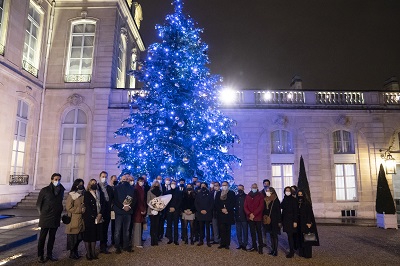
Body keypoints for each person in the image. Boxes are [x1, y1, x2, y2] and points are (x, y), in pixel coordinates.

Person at [36, 173, 65, 263]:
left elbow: (60, 202)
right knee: (42, 237)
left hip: (55, 217)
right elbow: (38, 204)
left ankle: (49, 254)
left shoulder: (61, 190)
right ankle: (40, 255)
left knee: (52, 237)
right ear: (52, 179)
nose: (57, 181)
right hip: (46, 216)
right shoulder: (45, 190)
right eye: (56, 179)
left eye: (59, 179)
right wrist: (42, 214)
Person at [113, 174, 136, 254]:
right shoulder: (117, 188)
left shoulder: (132, 189)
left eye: (127, 179)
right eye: (124, 179)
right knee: (118, 230)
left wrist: (128, 207)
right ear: (121, 180)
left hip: (126, 211)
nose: (125, 180)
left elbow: (134, 199)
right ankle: (118, 246)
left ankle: (125, 246)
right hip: (121, 211)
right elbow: (115, 199)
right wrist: (124, 207)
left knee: (125, 230)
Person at [83, 179, 105, 260]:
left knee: (94, 235)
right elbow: (87, 206)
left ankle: (93, 252)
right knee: (88, 235)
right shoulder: (87, 193)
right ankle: (88, 253)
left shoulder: (100, 193)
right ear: (89, 184)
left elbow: (103, 204)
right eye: (92, 183)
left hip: (98, 217)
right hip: (89, 217)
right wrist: (94, 216)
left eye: (95, 183)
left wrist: (100, 214)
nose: (94, 184)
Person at [65, 179, 85, 260]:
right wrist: (80, 210)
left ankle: (75, 251)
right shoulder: (72, 195)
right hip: (74, 219)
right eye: (79, 184)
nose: (81, 185)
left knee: (80, 237)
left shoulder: (83, 194)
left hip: (81, 219)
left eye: (82, 184)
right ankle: (72, 253)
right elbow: (68, 207)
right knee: (73, 237)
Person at [297, 190, 320, 258]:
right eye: (299, 194)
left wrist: (309, 222)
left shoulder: (307, 203)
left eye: (301, 194)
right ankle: (302, 252)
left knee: (307, 238)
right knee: (301, 237)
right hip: (299, 223)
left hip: (305, 222)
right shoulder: (297, 203)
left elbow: (309, 214)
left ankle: (308, 254)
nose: (300, 195)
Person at [244, 183, 264, 254]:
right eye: (253, 187)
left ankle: (260, 247)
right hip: (250, 217)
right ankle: (254, 246)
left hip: (257, 217)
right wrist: (249, 214)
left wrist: (254, 214)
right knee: (252, 233)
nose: (254, 188)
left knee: (259, 233)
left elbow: (261, 206)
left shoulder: (260, 196)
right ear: (251, 187)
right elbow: (245, 206)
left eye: (255, 187)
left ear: (257, 187)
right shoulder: (248, 196)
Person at [214, 181, 235, 249]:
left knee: (228, 229)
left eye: (225, 185)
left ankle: (227, 244)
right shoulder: (218, 193)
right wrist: (221, 209)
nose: (224, 186)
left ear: (228, 185)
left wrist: (227, 209)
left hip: (228, 214)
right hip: (221, 214)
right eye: (223, 185)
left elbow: (233, 203)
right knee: (221, 229)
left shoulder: (231, 193)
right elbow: (216, 203)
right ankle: (222, 243)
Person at [98, 171, 113, 254]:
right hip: (99, 211)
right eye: (103, 176)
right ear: (100, 177)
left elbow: (111, 199)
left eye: (105, 176)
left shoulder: (109, 188)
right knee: (99, 229)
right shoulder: (97, 187)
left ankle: (103, 246)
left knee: (105, 229)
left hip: (107, 211)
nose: (104, 178)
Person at [281, 186, 299, 258]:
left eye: (289, 190)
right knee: (289, 235)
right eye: (286, 190)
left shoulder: (294, 200)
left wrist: (295, 221)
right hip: (286, 220)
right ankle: (293, 248)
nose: (287, 191)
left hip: (291, 220)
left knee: (290, 236)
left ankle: (292, 251)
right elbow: (281, 207)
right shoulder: (285, 199)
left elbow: (295, 211)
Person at [264, 187, 282, 256]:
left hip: (275, 220)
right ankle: (272, 249)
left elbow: (278, 211)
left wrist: (279, 221)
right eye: (266, 191)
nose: (267, 192)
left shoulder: (275, 200)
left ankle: (275, 250)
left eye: (268, 191)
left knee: (275, 235)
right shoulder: (266, 199)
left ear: (272, 192)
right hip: (268, 219)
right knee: (271, 235)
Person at [194, 182, 213, 247]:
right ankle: (201, 240)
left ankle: (208, 241)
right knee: (201, 228)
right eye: (202, 186)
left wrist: (207, 210)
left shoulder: (210, 194)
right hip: (200, 213)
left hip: (207, 213)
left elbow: (211, 204)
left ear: (206, 186)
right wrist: (200, 210)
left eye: (204, 185)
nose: (203, 187)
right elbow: (196, 203)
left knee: (208, 228)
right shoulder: (198, 194)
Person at [165, 180, 183, 245]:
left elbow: (180, 201)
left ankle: (176, 239)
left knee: (176, 225)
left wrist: (175, 208)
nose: (173, 184)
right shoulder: (167, 192)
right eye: (172, 183)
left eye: (174, 183)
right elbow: (165, 202)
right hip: (169, 210)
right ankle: (170, 238)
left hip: (176, 210)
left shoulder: (179, 192)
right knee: (169, 225)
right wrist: (169, 208)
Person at [132, 176, 146, 248]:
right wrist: (142, 209)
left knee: (139, 225)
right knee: (137, 225)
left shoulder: (141, 188)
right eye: (140, 181)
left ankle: (138, 241)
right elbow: (139, 200)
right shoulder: (137, 189)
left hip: (140, 209)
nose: (142, 182)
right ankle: (137, 242)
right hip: (138, 210)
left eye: (143, 181)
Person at [147, 181, 162, 246]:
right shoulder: (149, 192)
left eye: (157, 184)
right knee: (152, 225)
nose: (156, 185)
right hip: (151, 211)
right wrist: (153, 208)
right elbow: (148, 201)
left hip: (158, 211)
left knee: (157, 225)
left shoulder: (160, 192)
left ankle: (156, 239)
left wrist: (158, 209)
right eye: (155, 184)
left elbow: (161, 201)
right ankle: (152, 240)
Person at [234, 184, 248, 251]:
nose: (239, 190)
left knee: (245, 231)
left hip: (244, 217)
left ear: (243, 189)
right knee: (238, 231)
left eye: (241, 188)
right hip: (237, 216)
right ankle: (240, 244)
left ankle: (245, 244)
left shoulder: (246, 196)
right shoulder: (235, 197)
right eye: (238, 188)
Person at [260, 179, 271, 247]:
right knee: (263, 228)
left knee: (270, 228)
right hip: (263, 212)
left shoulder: (271, 192)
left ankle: (272, 242)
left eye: (267, 183)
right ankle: (264, 241)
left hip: (270, 212)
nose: (266, 185)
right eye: (265, 183)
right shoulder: (261, 193)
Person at [109, 175, 118, 245]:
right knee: (113, 224)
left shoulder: (118, 188)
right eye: (114, 179)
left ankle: (116, 239)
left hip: (117, 208)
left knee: (116, 224)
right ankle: (113, 239)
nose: (115, 181)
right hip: (112, 209)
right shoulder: (109, 188)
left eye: (116, 179)